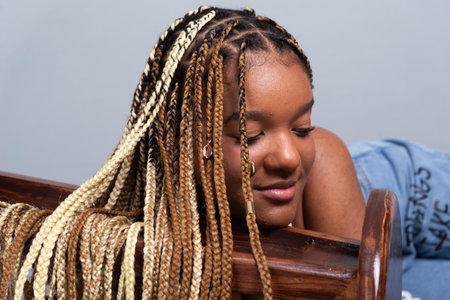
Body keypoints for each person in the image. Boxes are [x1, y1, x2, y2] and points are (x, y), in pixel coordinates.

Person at [0, 6, 448, 300]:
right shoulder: (154, 230)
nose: (289, 155)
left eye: (301, 127)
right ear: (181, 146)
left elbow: (370, 285)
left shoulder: (318, 159)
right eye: (251, 136)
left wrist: (292, 140)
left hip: (398, 194)